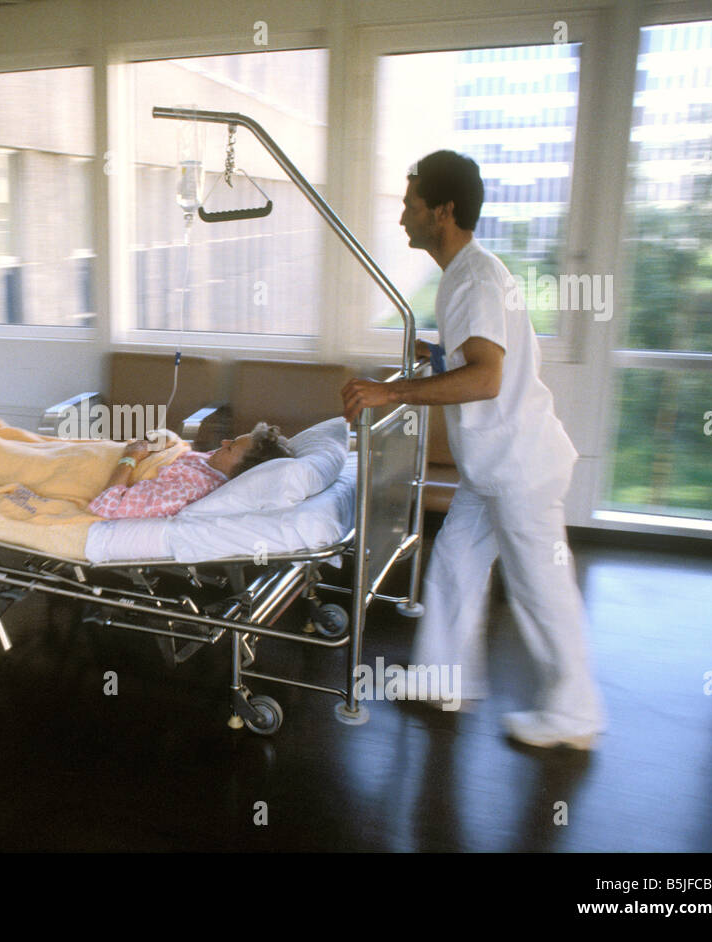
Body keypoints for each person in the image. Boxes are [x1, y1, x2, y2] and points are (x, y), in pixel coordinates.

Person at [339, 150, 605, 750]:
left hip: (518, 467)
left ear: (444, 211)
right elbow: (474, 363)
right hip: (492, 468)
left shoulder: (475, 277)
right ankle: (443, 680)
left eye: (411, 207)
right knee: (456, 563)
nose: (403, 218)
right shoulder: (464, 274)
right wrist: (435, 361)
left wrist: (393, 390)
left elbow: (487, 377)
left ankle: (575, 714)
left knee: (541, 588)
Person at [89, 422, 292, 519]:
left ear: (240, 471)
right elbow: (183, 452)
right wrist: (169, 440)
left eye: (230, 447)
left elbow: (107, 507)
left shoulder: (189, 487)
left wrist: (130, 457)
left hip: (101, 464)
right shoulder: (214, 464)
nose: (223, 441)